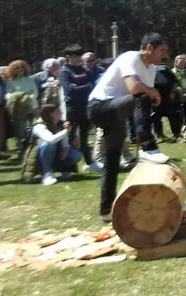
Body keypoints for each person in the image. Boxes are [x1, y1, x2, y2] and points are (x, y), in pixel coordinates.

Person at [87, 33, 170, 221]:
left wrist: (151, 96)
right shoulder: (130, 57)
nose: (164, 55)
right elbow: (134, 89)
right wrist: (152, 93)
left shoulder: (152, 68)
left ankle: (106, 211)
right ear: (149, 47)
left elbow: (143, 100)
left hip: (117, 113)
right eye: (162, 51)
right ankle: (147, 146)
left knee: (112, 161)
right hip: (99, 108)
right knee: (141, 96)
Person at [59, 44, 102, 171]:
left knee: (84, 137)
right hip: (71, 109)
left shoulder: (84, 69)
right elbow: (69, 90)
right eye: (74, 56)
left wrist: (78, 86)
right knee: (70, 138)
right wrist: (85, 86)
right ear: (68, 57)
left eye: (79, 55)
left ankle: (90, 162)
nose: (78, 58)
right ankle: (68, 165)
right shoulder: (64, 71)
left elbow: (92, 85)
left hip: (85, 107)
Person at [31, 103, 82, 185]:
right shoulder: (39, 126)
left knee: (76, 155)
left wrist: (65, 149)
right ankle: (46, 174)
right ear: (51, 114)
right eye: (58, 111)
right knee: (48, 145)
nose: (61, 113)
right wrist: (66, 131)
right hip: (39, 160)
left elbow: (65, 143)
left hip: (55, 156)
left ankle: (64, 169)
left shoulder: (60, 124)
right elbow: (51, 139)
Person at [5, 59, 40, 156]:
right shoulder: (10, 82)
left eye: (22, 67)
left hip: (33, 107)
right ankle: (22, 150)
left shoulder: (29, 80)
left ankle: (36, 149)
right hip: (19, 109)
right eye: (17, 68)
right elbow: (8, 94)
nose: (20, 69)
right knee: (21, 131)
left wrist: (28, 98)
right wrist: (14, 97)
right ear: (13, 70)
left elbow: (35, 92)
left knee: (37, 126)